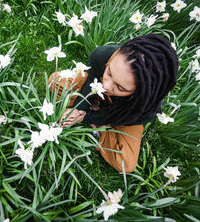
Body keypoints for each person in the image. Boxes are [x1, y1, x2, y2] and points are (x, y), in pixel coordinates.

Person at [49, 34, 179, 173]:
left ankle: (102, 128)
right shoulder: (103, 55)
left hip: (126, 113)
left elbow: (125, 116)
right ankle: (98, 106)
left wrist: (87, 117)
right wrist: (79, 109)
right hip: (96, 91)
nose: (106, 85)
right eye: (109, 72)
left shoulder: (146, 108)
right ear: (116, 53)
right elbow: (92, 76)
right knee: (54, 81)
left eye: (121, 87)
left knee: (126, 164)